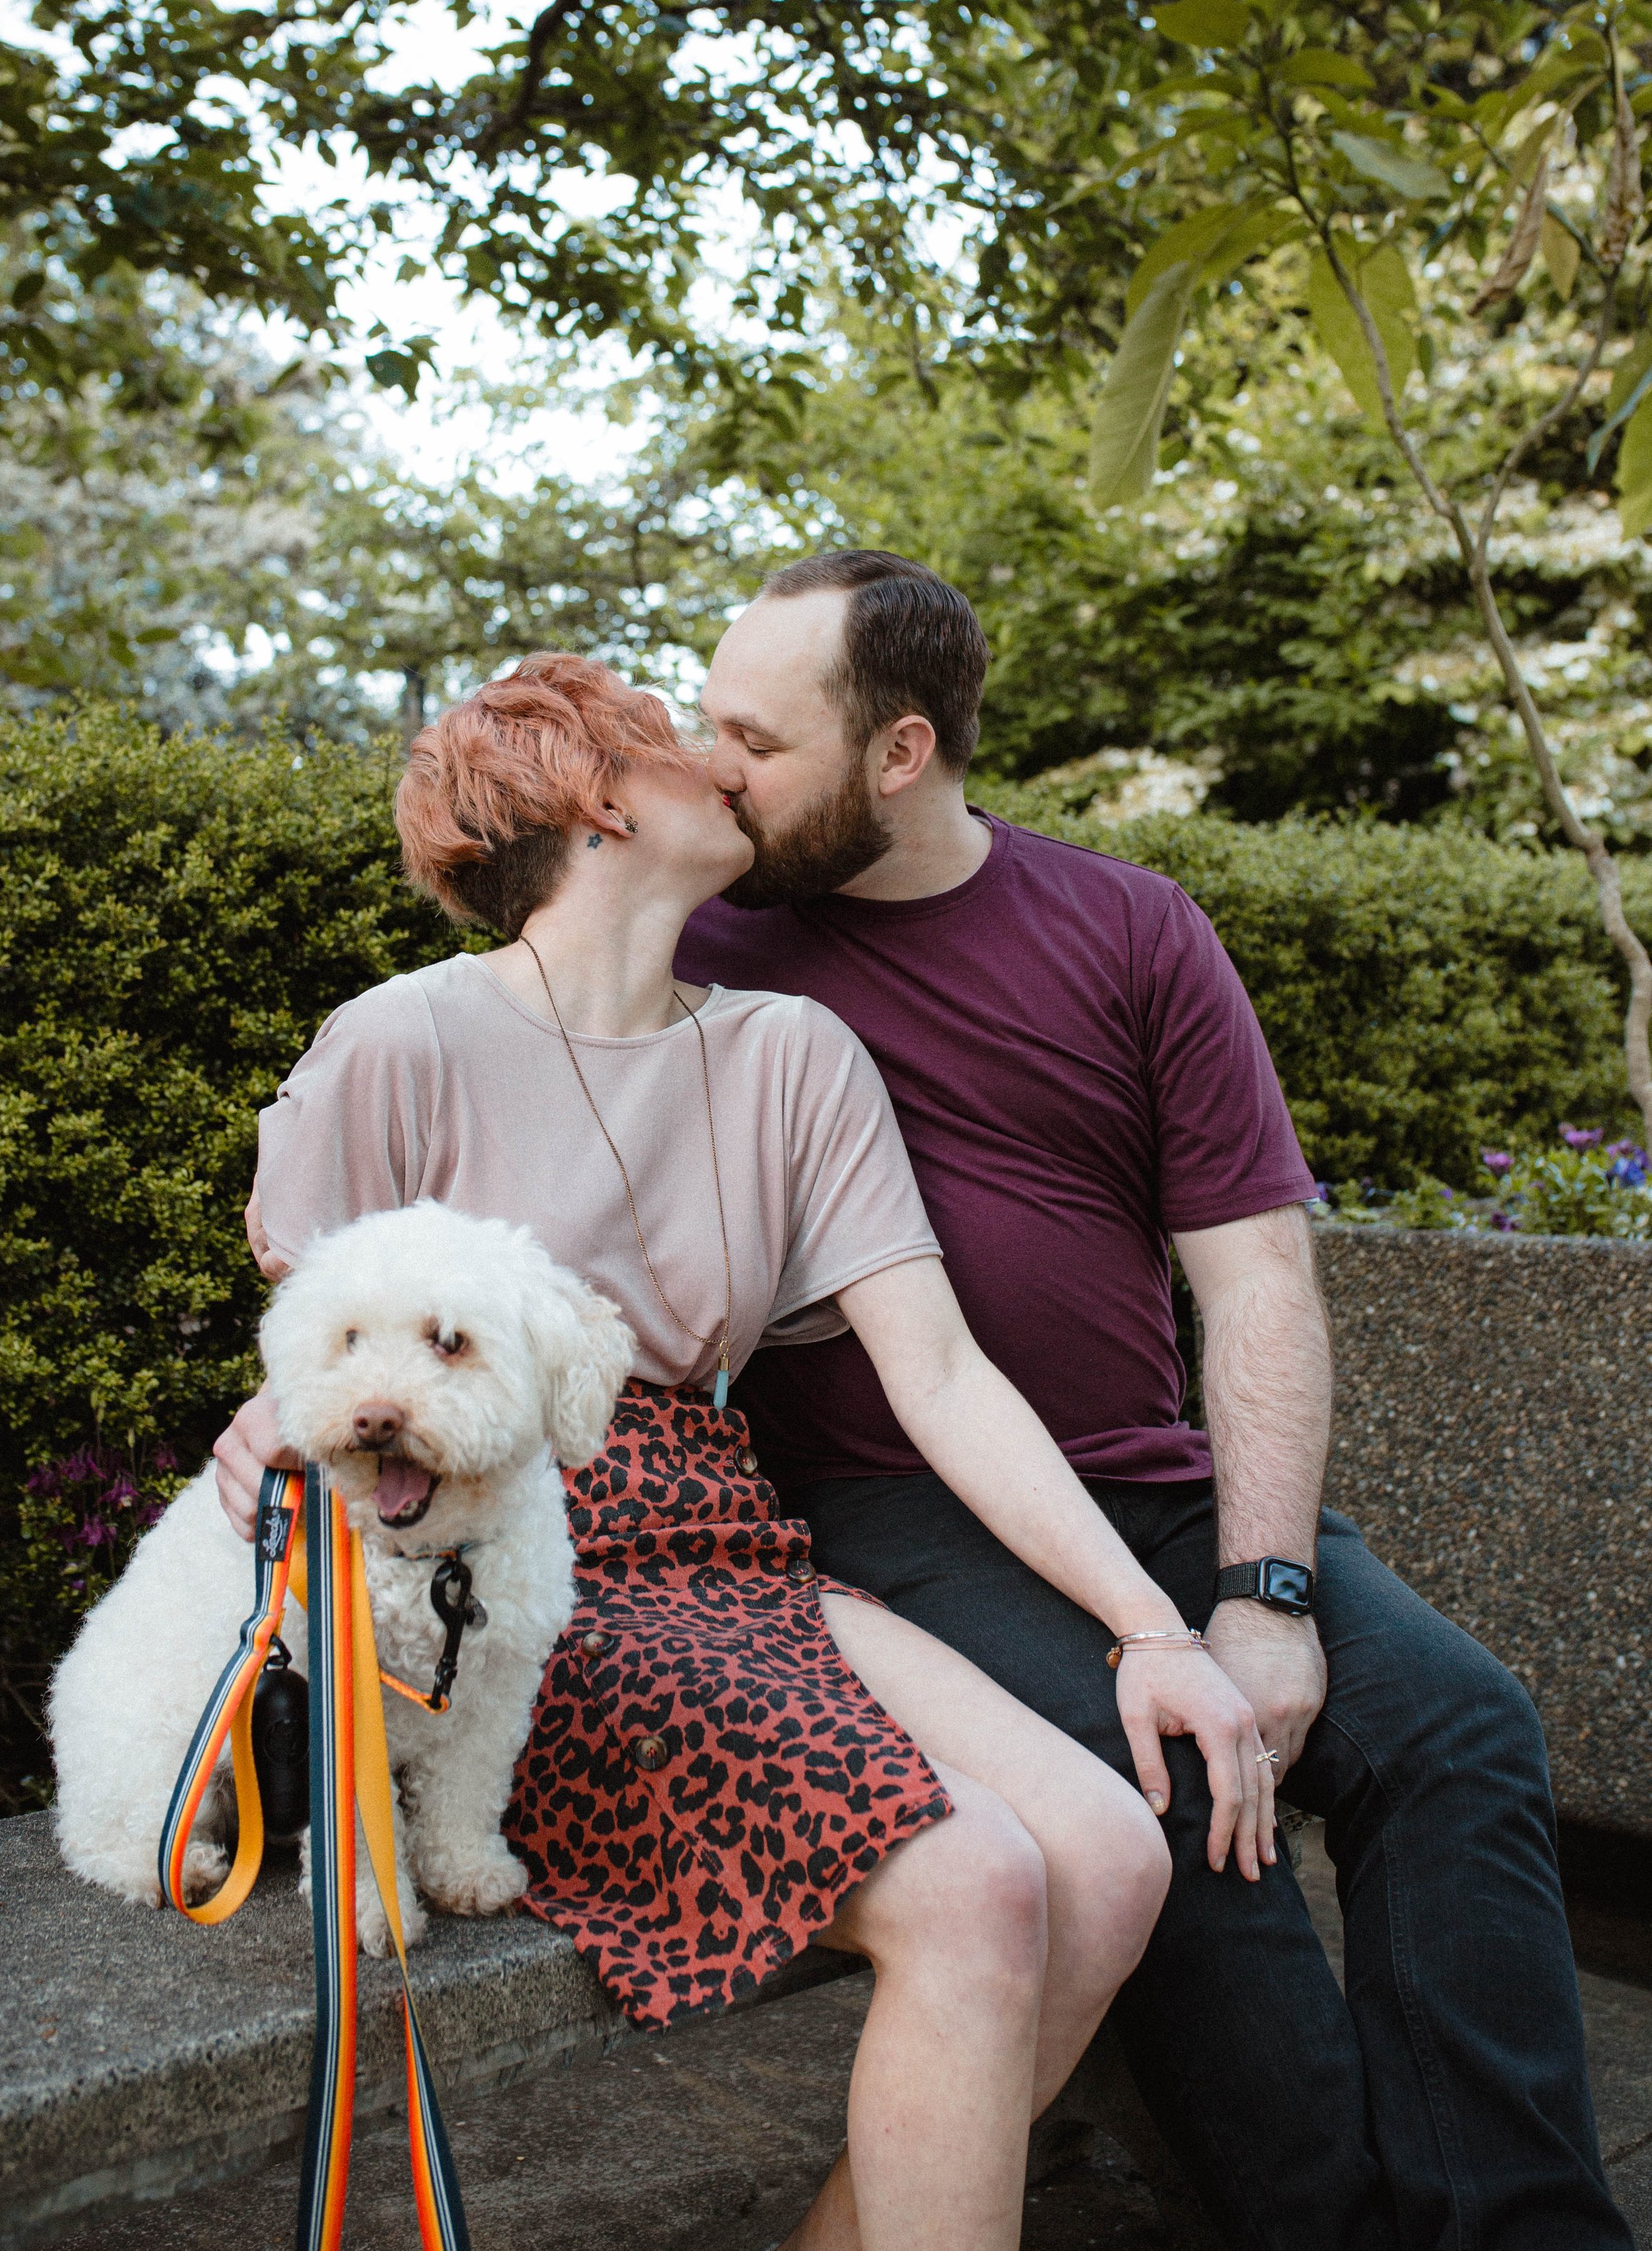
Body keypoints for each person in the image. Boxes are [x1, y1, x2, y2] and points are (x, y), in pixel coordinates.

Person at [212, 654, 1273, 2251]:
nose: (723, 762)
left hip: (732, 1541)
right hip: (513, 1564)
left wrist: (1151, 1628)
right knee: (978, 1887)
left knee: (1112, 1860)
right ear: (599, 801)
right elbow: (321, 1352)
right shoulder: (397, 1040)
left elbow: (939, 1372)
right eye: (678, 739)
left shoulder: (792, 1051)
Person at [672, 549, 1631, 2251]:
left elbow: (1255, 1282)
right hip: (905, 1518)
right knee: (1171, 1784)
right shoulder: (702, 948)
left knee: (1457, 1725)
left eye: (753, 735)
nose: (706, 762)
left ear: (898, 753)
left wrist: (1264, 1597)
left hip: (1156, 1488)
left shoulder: (1126, 926)